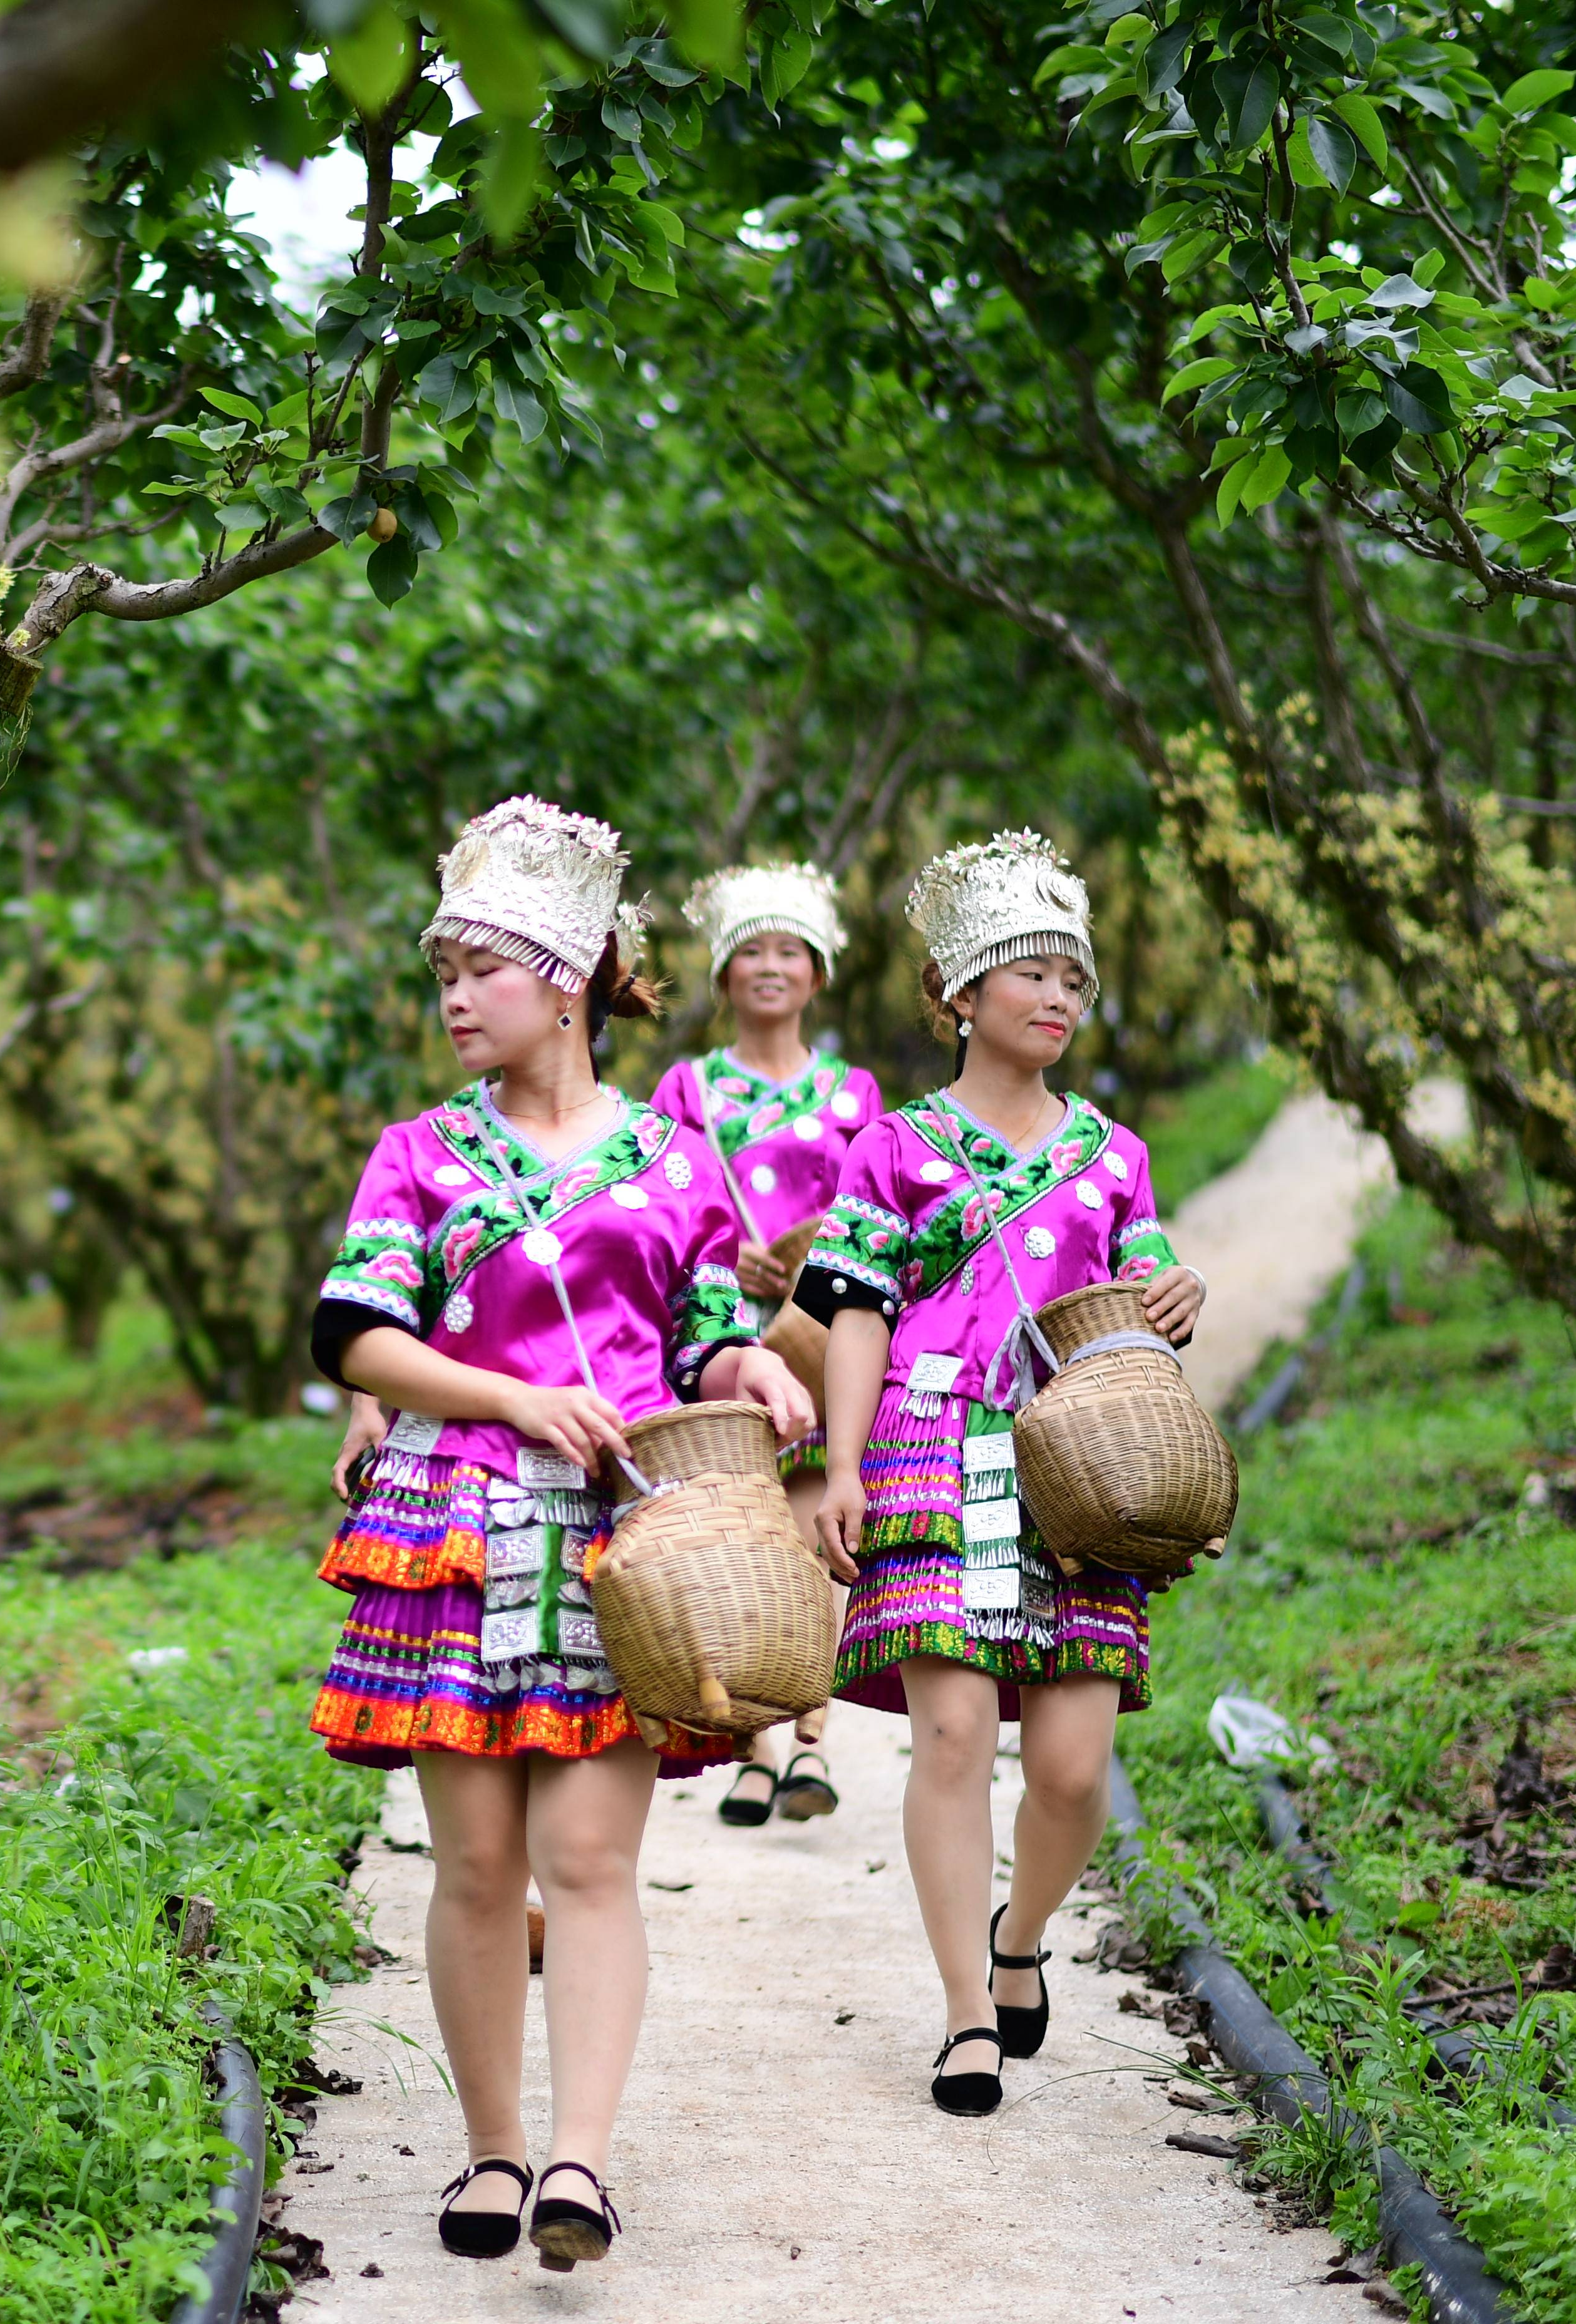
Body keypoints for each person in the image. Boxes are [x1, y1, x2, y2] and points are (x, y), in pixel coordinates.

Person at [306, 797, 815, 2270]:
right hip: (455, 1523)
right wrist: (515, 1398)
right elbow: (357, 1333)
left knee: (589, 1860)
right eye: (443, 971)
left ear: (572, 972)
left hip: (621, 1542)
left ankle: (580, 2158)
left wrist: (759, 1367)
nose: (456, 997)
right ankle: (491, 2149)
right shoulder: (417, 1151)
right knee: (473, 1867)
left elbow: (707, 1332)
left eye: (482, 967)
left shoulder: (672, 1157)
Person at [789, 831, 1208, 2116]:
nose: (1059, 998)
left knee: (1077, 1763)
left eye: (1074, 979)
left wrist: (1172, 1295)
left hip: (1079, 1465)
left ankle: (1019, 1933)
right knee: (956, 1728)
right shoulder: (895, 1147)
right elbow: (853, 1311)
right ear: (960, 992)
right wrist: (841, 1463)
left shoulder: (1113, 1152)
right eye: (1031, 973)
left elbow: (1128, 1307)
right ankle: (966, 2015)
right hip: (931, 1444)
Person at [650, 862, 880, 1829]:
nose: (770, 967)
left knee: (805, 1531)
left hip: (819, 1335)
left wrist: (814, 1264)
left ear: (818, 973)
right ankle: (754, 1745)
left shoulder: (852, 1093)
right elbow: (661, 1202)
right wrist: (727, 1257)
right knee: (738, 1532)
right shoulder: (689, 1088)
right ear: (723, 975)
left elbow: (881, 1210)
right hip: (726, 1334)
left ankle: (809, 1736)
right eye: (752, 950)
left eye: (790, 950)